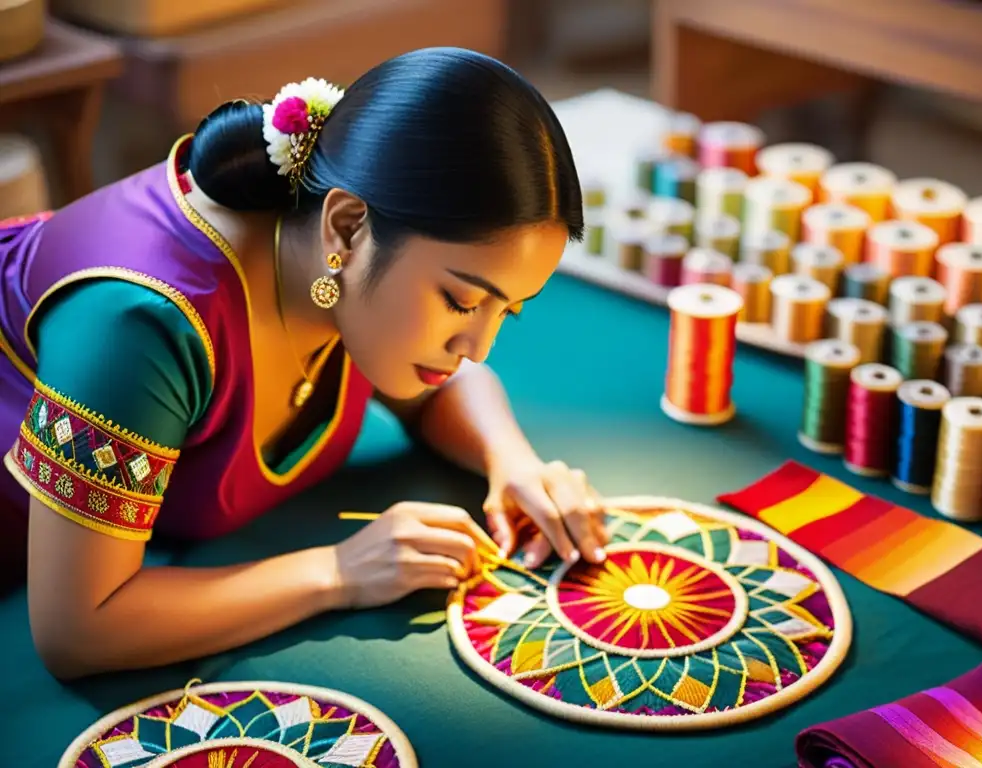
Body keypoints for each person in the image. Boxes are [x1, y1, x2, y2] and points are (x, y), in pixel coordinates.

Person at [0, 47, 608, 680]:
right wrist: (338, 572)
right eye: (461, 300)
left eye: (505, 311)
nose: (477, 348)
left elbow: (437, 388)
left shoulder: (335, 268)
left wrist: (511, 461)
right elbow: (79, 627)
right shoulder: (140, 323)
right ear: (346, 226)